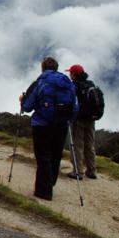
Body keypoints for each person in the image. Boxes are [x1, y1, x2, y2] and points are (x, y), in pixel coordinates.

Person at [20, 57, 79, 201]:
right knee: (55, 155)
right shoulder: (68, 83)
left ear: (43, 68)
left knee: (43, 156)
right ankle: (50, 184)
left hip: (42, 125)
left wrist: (22, 99)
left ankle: (43, 191)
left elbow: (27, 107)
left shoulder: (40, 82)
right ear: (57, 68)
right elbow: (76, 106)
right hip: (62, 125)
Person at [66, 64, 98, 180]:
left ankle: (78, 172)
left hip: (78, 119)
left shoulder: (74, 86)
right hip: (91, 119)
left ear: (74, 74)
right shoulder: (91, 84)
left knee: (77, 146)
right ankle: (92, 171)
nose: (69, 75)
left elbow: (70, 102)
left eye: (71, 73)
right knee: (90, 145)